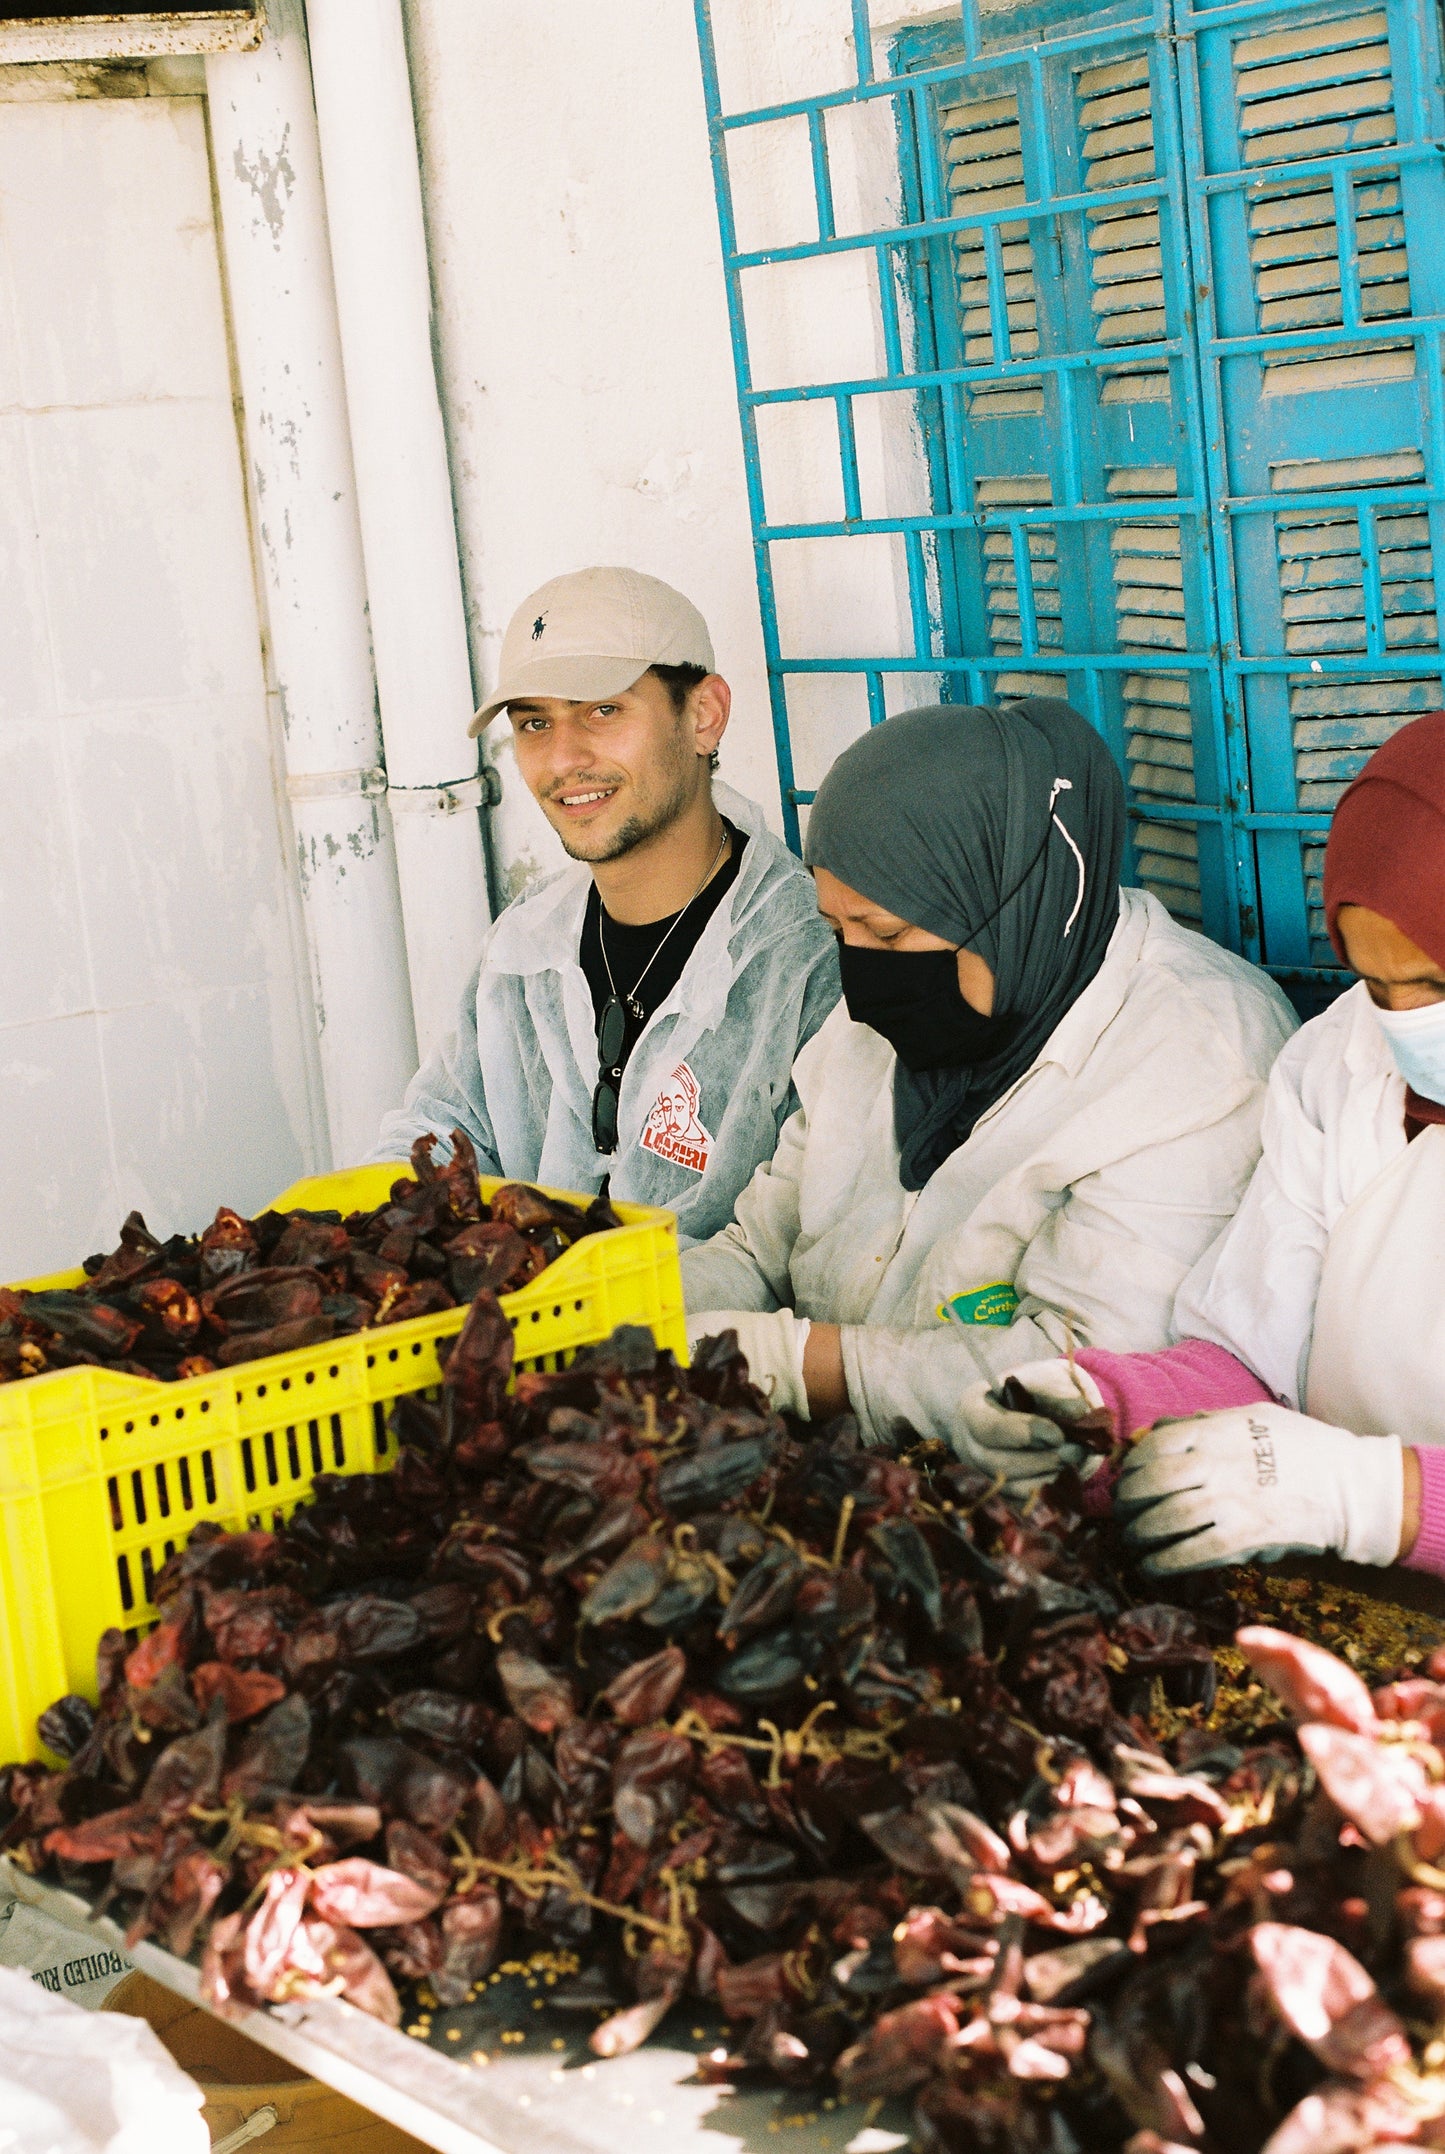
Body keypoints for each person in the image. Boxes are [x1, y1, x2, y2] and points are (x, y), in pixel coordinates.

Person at [680, 698, 1297, 1444]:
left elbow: (1086, 1380)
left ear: (1012, 904)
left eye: (887, 933)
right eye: (836, 929)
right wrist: (652, 1312)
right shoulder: (872, 1026)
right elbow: (763, 1246)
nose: (862, 982)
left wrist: (793, 1363)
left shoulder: (1197, 1058)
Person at [979, 713, 1445, 1578]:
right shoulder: (1340, 1063)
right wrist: (1111, 1408)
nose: (1405, 1023)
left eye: (1436, 983)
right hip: (1347, 1600)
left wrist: (1382, 1496)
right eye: (1376, 984)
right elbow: (1252, 1352)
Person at [371, 567, 839, 1243]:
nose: (563, 759)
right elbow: (438, 1134)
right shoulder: (527, 944)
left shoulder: (808, 955)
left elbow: (808, 1243)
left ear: (703, 716)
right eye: (535, 722)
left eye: (602, 711)